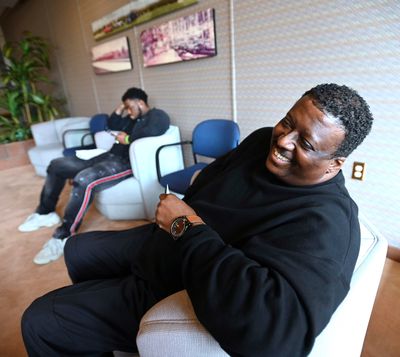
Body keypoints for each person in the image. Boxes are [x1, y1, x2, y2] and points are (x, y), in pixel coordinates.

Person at [21, 84, 373, 356]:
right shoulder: (261, 141)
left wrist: (183, 226)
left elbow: (275, 337)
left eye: (306, 144)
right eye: (287, 122)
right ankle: (102, 338)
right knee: (78, 250)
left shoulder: (326, 224)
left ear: (335, 163)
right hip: (167, 243)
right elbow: (212, 177)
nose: (283, 140)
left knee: (40, 320)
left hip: (182, 280)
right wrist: (184, 211)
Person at [18, 87, 170, 265]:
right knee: (57, 165)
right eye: (126, 108)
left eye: (130, 106)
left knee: (83, 179)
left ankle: (63, 235)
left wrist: (127, 140)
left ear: (141, 103)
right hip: (106, 156)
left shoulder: (157, 115)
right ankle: (45, 212)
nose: (128, 111)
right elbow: (112, 125)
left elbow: (155, 129)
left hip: (123, 163)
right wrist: (121, 108)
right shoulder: (130, 119)